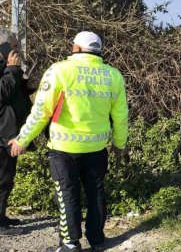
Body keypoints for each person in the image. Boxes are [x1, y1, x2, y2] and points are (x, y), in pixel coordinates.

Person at [9, 31, 129, 252]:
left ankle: (70, 243)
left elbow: (41, 112)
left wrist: (22, 139)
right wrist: (119, 144)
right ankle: (98, 240)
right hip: (97, 146)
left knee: (67, 193)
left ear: (76, 48)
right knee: (96, 192)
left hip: (64, 148)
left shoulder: (60, 71)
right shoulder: (113, 75)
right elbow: (121, 116)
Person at [0, 30, 35, 236]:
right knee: (2, 179)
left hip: (10, 133)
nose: (17, 50)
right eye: (13, 47)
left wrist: (27, 85)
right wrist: (13, 70)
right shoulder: (7, 69)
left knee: (7, 177)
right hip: (1, 134)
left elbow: (14, 92)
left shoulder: (8, 68)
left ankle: (2, 215)